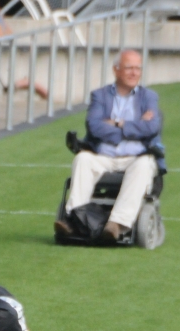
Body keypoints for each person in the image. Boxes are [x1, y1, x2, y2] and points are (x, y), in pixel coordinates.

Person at [54, 49, 164, 243]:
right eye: (129, 67)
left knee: (144, 165)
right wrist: (135, 124)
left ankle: (117, 224)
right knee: (82, 159)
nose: (134, 73)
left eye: (138, 68)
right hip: (103, 156)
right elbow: (95, 127)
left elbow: (152, 127)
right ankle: (74, 220)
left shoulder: (149, 97)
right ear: (116, 70)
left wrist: (116, 123)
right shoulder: (100, 95)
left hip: (135, 157)